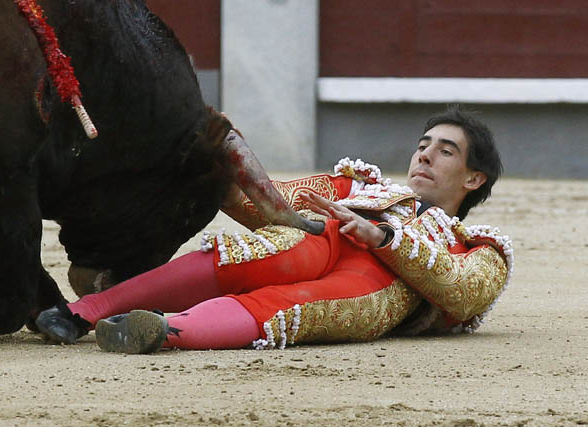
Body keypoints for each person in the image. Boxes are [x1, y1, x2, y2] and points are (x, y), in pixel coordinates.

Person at [36, 106, 513, 353]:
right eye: (423, 144)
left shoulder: (476, 248)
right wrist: (221, 177)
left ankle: (161, 330)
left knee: (291, 306)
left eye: (446, 150)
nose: (425, 154)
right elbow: (275, 203)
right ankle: (81, 313)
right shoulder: (357, 186)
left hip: (382, 282)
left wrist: (385, 239)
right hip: (325, 239)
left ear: (475, 178)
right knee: (260, 253)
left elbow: (461, 290)